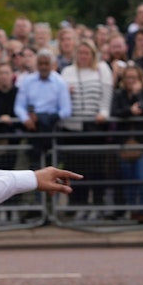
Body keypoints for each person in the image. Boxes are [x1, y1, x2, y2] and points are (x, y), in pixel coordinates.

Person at [59, 39, 115, 219]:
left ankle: (97, 204)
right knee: (75, 168)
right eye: (80, 53)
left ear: (93, 54)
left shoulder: (102, 69)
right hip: (72, 127)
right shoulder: (67, 71)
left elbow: (106, 94)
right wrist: (66, 93)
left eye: (86, 53)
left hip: (94, 125)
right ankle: (78, 204)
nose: (83, 56)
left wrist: (103, 112)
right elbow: (60, 96)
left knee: (96, 168)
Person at [13, 49, 72, 167]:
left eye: (46, 64)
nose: (43, 67)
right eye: (41, 64)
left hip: (52, 125)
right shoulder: (28, 81)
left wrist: (44, 118)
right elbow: (19, 106)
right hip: (32, 127)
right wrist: (26, 119)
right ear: (37, 64)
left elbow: (66, 110)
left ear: (52, 65)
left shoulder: (60, 82)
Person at [111, 65, 143, 221]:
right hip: (124, 142)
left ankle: (142, 210)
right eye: (128, 77)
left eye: (134, 78)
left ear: (140, 79)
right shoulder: (119, 94)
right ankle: (132, 209)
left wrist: (137, 95)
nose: (130, 80)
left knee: (142, 177)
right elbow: (115, 112)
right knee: (128, 178)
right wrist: (129, 111)